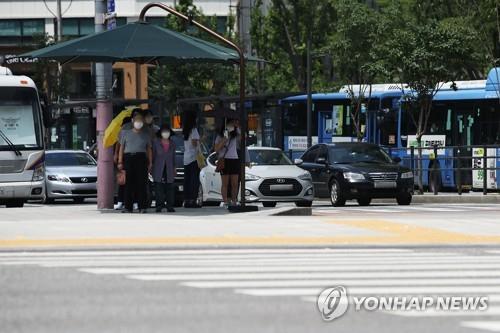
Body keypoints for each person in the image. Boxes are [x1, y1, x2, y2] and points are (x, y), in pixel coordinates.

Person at [118, 112, 152, 213]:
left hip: (141, 158)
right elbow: (121, 148)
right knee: (128, 184)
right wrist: (120, 161)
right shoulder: (125, 133)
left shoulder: (146, 135)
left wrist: (150, 162)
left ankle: (142, 207)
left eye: (140, 121)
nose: (139, 123)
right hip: (129, 158)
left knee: (142, 183)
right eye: (137, 121)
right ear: (133, 121)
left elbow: (149, 149)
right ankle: (128, 207)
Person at [214, 119, 240, 208]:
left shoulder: (235, 134)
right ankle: (225, 201)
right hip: (224, 160)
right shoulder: (220, 136)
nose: (232, 126)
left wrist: (237, 127)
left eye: (233, 124)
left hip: (234, 159)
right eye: (230, 124)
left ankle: (234, 200)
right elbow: (216, 149)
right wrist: (225, 139)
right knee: (225, 183)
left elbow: (243, 138)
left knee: (235, 183)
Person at [152, 124, 176, 213]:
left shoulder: (172, 143)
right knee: (158, 187)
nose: (166, 133)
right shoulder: (156, 142)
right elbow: (153, 155)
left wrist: (174, 168)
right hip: (158, 167)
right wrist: (151, 166)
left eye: (167, 131)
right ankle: (159, 205)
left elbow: (173, 156)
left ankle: (170, 205)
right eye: (164, 131)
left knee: (170, 186)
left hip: (169, 167)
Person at [182, 110, 201, 208]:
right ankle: (193, 200)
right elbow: (194, 143)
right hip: (194, 158)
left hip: (186, 157)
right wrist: (201, 140)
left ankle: (187, 200)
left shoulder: (185, 130)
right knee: (194, 180)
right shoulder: (194, 130)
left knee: (187, 180)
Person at [113, 116, 131, 210]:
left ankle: (126, 202)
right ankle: (121, 201)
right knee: (123, 181)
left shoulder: (135, 131)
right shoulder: (122, 132)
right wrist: (117, 155)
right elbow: (118, 144)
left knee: (129, 182)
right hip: (123, 158)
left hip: (129, 158)